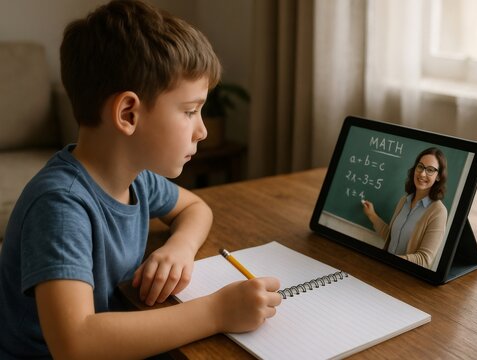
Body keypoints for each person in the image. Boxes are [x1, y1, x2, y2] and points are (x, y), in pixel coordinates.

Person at [0, 1, 282, 358]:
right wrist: (217, 312)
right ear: (128, 113)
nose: (203, 130)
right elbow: (75, 343)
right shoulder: (60, 206)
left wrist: (179, 247)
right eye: (190, 111)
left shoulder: (137, 179)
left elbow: (196, 208)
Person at [362, 147, 448, 269]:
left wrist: (392, 261)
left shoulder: (438, 212)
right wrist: (372, 215)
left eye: (430, 170)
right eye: (420, 167)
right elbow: (391, 236)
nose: (422, 173)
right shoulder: (404, 201)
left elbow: (424, 259)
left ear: (438, 176)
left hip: (403, 275)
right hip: (384, 267)